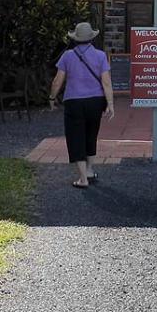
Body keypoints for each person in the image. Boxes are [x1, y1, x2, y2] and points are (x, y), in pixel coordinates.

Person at [49, 22, 114, 188]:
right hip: (96, 101)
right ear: (91, 38)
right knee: (91, 135)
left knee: (76, 137)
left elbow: (58, 81)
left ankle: (83, 178)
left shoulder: (67, 56)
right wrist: (110, 104)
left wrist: (52, 97)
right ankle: (90, 169)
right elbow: (106, 82)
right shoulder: (100, 56)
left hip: (74, 101)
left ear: (76, 39)